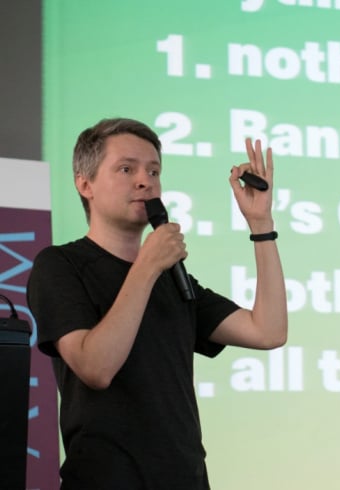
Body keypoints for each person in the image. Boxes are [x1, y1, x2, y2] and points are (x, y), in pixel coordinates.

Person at [27, 117, 288, 489]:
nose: (144, 181)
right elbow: (95, 367)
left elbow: (268, 331)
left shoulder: (170, 277)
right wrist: (147, 266)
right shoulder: (60, 265)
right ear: (85, 184)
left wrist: (261, 225)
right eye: (126, 169)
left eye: (153, 171)